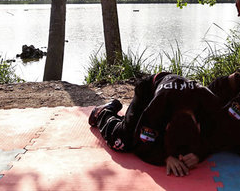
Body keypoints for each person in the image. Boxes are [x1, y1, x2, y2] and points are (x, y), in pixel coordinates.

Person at [88, 72, 224, 176]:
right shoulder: (158, 106)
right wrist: (166, 157)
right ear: (166, 126)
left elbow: (223, 132)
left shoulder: (208, 100)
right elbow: (141, 140)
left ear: (198, 124)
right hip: (148, 90)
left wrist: (199, 153)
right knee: (121, 142)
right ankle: (104, 112)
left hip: (173, 93)